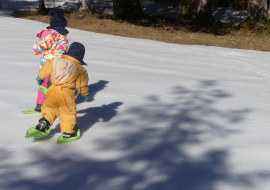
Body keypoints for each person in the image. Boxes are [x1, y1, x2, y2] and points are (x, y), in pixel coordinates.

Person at [25, 42, 90, 144]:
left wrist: (40, 77)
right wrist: (85, 94)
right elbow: (81, 85)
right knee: (67, 112)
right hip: (66, 93)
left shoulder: (56, 61)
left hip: (52, 90)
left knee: (50, 108)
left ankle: (44, 122)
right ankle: (68, 132)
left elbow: (46, 68)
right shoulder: (80, 69)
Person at [32, 10, 69, 112]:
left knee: (43, 83)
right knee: (55, 84)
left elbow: (37, 49)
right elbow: (62, 50)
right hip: (56, 64)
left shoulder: (44, 33)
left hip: (44, 64)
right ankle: (52, 104)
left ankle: (40, 105)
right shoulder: (60, 35)